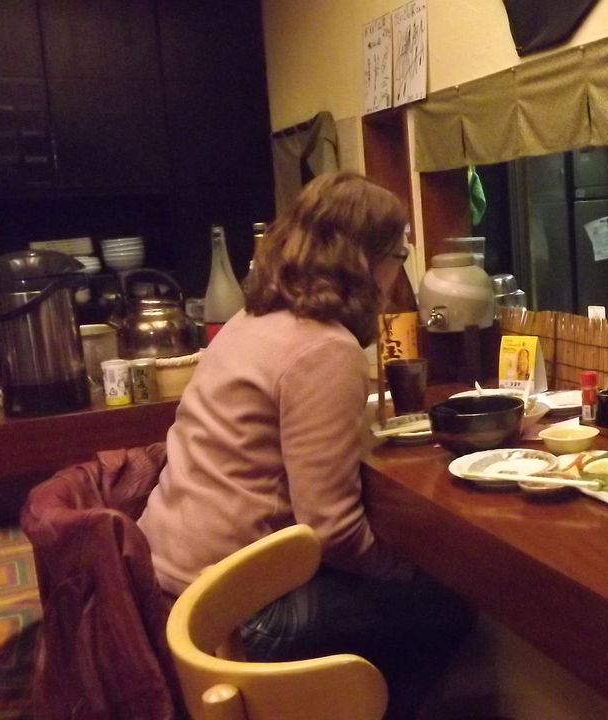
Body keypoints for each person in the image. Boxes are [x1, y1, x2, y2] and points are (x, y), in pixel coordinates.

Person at [138, 172, 471, 719]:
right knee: (446, 605)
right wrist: (408, 567)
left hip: (169, 583)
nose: (399, 272)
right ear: (367, 261)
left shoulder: (250, 319)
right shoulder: (324, 349)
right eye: (399, 254)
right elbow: (332, 530)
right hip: (237, 608)